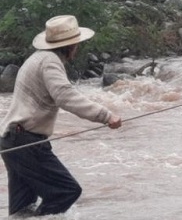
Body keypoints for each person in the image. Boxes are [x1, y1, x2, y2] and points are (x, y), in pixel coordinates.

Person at [0, 15, 123, 217]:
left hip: (12, 140)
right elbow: (65, 96)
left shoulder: (38, 58)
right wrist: (105, 115)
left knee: (22, 209)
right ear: (71, 45)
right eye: (77, 43)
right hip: (25, 140)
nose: (78, 47)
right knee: (66, 191)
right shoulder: (49, 62)